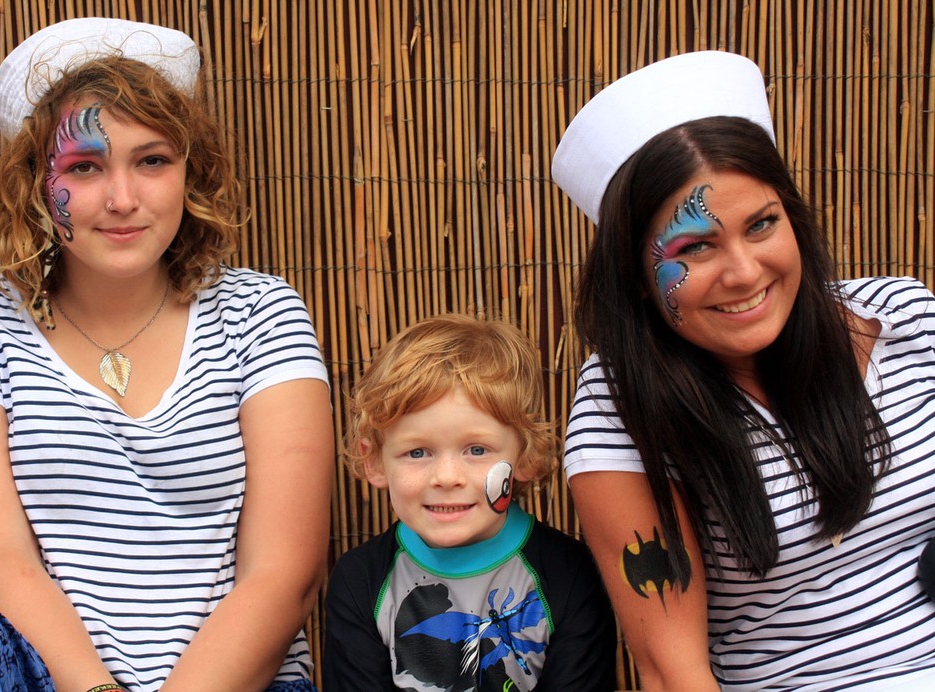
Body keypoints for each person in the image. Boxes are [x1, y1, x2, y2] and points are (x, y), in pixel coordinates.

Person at [0, 17, 333, 692]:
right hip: (46, 679)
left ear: (190, 172)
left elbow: (284, 572)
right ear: (33, 184)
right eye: (83, 167)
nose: (123, 199)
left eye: (152, 160)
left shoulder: (262, 313)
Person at [551, 49, 935, 691]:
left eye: (762, 225)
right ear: (638, 275)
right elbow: (674, 671)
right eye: (694, 247)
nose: (744, 272)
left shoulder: (905, 316)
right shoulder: (620, 407)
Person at [323, 314, 617, 691]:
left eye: (477, 450)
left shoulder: (571, 575)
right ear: (375, 462)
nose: (447, 477)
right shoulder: (360, 581)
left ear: (527, 456)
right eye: (417, 452)